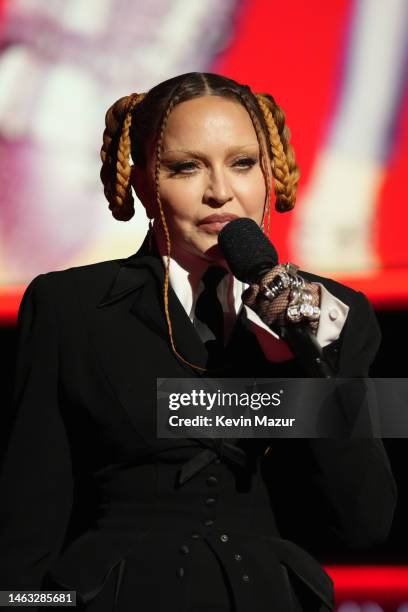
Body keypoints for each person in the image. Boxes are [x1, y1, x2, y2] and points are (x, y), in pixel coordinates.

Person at [0, 72, 397, 612]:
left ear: (270, 175)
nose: (220, 192)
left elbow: (363, 522)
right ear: (142, 183)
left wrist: (307, 367)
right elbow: (27, 519)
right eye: (186, 167)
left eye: (242, 163)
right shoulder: (69, 307)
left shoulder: (335, 313)